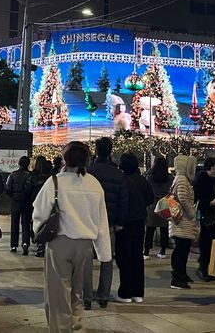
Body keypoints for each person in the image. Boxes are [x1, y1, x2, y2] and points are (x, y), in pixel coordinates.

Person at [32, 141, 111, 333]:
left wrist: (37, 231)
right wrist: (104, 254)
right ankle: (77, 328)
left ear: (65, 158)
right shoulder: (94, 184)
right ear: (86, 159)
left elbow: (39, 213)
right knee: (77, 293)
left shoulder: (55, 182)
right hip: (85, 247)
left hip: (60, 244)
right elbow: (102, 221)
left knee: (58, 295)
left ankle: (60, 330)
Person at [84, 137, 128, 309]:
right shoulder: (118, 174)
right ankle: (103, 295)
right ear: (111, 151)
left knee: (86, 260)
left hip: (88, 222)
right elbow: (123, 201)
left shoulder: (88, 171)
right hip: (108, 223)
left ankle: (86, 297)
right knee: (106, 260)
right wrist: (120, 222)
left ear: (96, 150)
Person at [115, 153, 154, 303]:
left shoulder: (121, 180)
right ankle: (138, 293)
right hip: (139, 222)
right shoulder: (142, 180)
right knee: (137, 257)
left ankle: (125, 292)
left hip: (123, 224)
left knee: (124, 257)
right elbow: (150, 198)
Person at [169, 154, 199, 290]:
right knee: (181, 250)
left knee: (183, 249)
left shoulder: (180, 178)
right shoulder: (182, 180)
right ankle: (177, 277)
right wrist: (192, 213)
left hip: (181, 222)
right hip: (182, 222)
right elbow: (183, 198)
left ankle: (181, 274)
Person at [193, 157, 215, 282]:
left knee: (214, 244)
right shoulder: (201, 179)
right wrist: (209, 203)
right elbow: (196, 199)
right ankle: (203, 269)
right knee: (206, 243)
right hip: (205, 216)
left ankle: (210, 269)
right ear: (207, 168)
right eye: (213, 169)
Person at [144, 155, 171, 259]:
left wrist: (152, 168)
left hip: (152, 204)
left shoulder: (150, 177)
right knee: (164, 229)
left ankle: (146, 251)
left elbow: (146, 178)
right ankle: (163, 251)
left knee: (150, 229)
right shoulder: (169, 178)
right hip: (165, 204)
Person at [5, 155, 33, 255]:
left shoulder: (13, 174)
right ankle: (25, 243)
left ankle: (13, 245)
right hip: (26, 202)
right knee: (26, 224)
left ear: (19, 163)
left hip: (15, 201)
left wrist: (13, 196)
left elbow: (7, 188)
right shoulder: (30, 175)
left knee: (14, 224)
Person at [26, 156, 53, 257]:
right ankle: (45, 244)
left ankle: (39, 244)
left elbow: (28, 190)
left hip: (34, 202)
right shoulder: (51, 177)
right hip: (49, 203)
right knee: (48, 222)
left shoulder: (32, 176)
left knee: (36, 222)